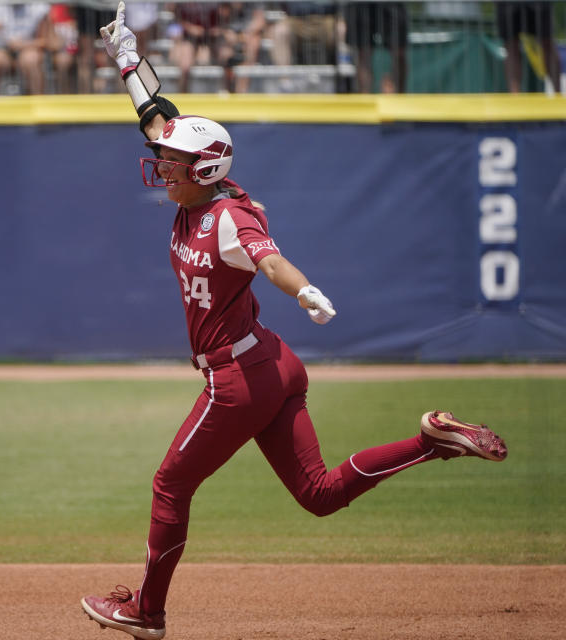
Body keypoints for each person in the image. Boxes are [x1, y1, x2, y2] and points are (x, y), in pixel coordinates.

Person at [79, 4, 508, 639]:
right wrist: (125, 58)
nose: (161, 161)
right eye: (164, 154)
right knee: (319, 495)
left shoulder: (228, 217)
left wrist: (306, 290)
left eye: (172, 158)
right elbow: (153, 111)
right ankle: (431, 439)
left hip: (240, 380)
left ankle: (148, 612)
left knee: (170, 485)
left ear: (204, 170)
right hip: (272, 364)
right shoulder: (198, 189)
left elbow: (269, 260)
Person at [0, 3, 55, 96]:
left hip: (29, 48)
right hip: (1, 49)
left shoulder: (39, 7)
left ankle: (37, 102)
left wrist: (22, 45)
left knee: (30, 59)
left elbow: (47, 41)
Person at [495, 1, 562, 94]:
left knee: (547, 43)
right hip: (507, 3)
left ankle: (558, 93)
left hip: (539, 4)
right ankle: (514, 96)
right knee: (511, 45)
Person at [342, 1, 408, 93]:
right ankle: (365, 99)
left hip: (392, 3)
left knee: (399, 52)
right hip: (361, 4)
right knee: (363, 55)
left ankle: (399, 96)